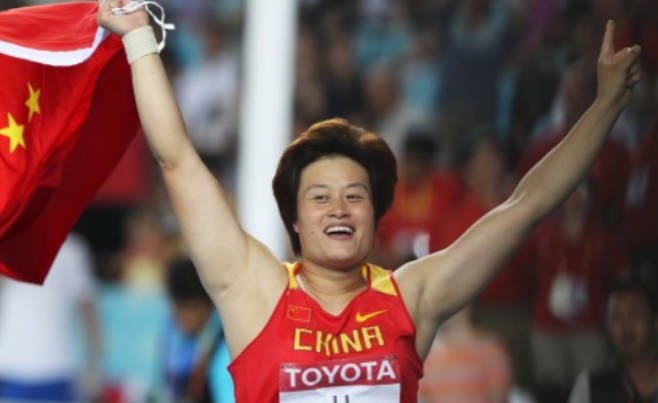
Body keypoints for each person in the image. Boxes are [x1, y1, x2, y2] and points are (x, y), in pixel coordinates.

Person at [97, 2, 641, 401]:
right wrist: (139, 37)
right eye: (320, 197)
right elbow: (178, 161)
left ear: (377, 219)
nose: (339, 208)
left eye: (354, 196)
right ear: (294, 219)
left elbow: (525, 206)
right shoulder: (253, 291)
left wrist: (606, 105)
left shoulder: (414, 296)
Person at [567, 280, 658, 403]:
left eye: (635, 315)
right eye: (616, 317)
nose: (625, 326)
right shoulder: (591, 385)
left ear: (655, 321)